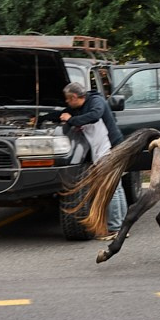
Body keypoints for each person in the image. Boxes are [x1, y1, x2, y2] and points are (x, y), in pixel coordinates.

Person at [57, 81, 126, 240]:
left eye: (68, 99)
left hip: (110, 148)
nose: (66, 102)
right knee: (117, 187)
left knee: (111, 188)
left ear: (74, 97)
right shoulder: (79, 107)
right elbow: (63, 112)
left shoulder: (96, 101)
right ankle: (121, 227)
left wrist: (70, 120)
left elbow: (95, 116)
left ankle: (115, 229)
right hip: (109, 149)